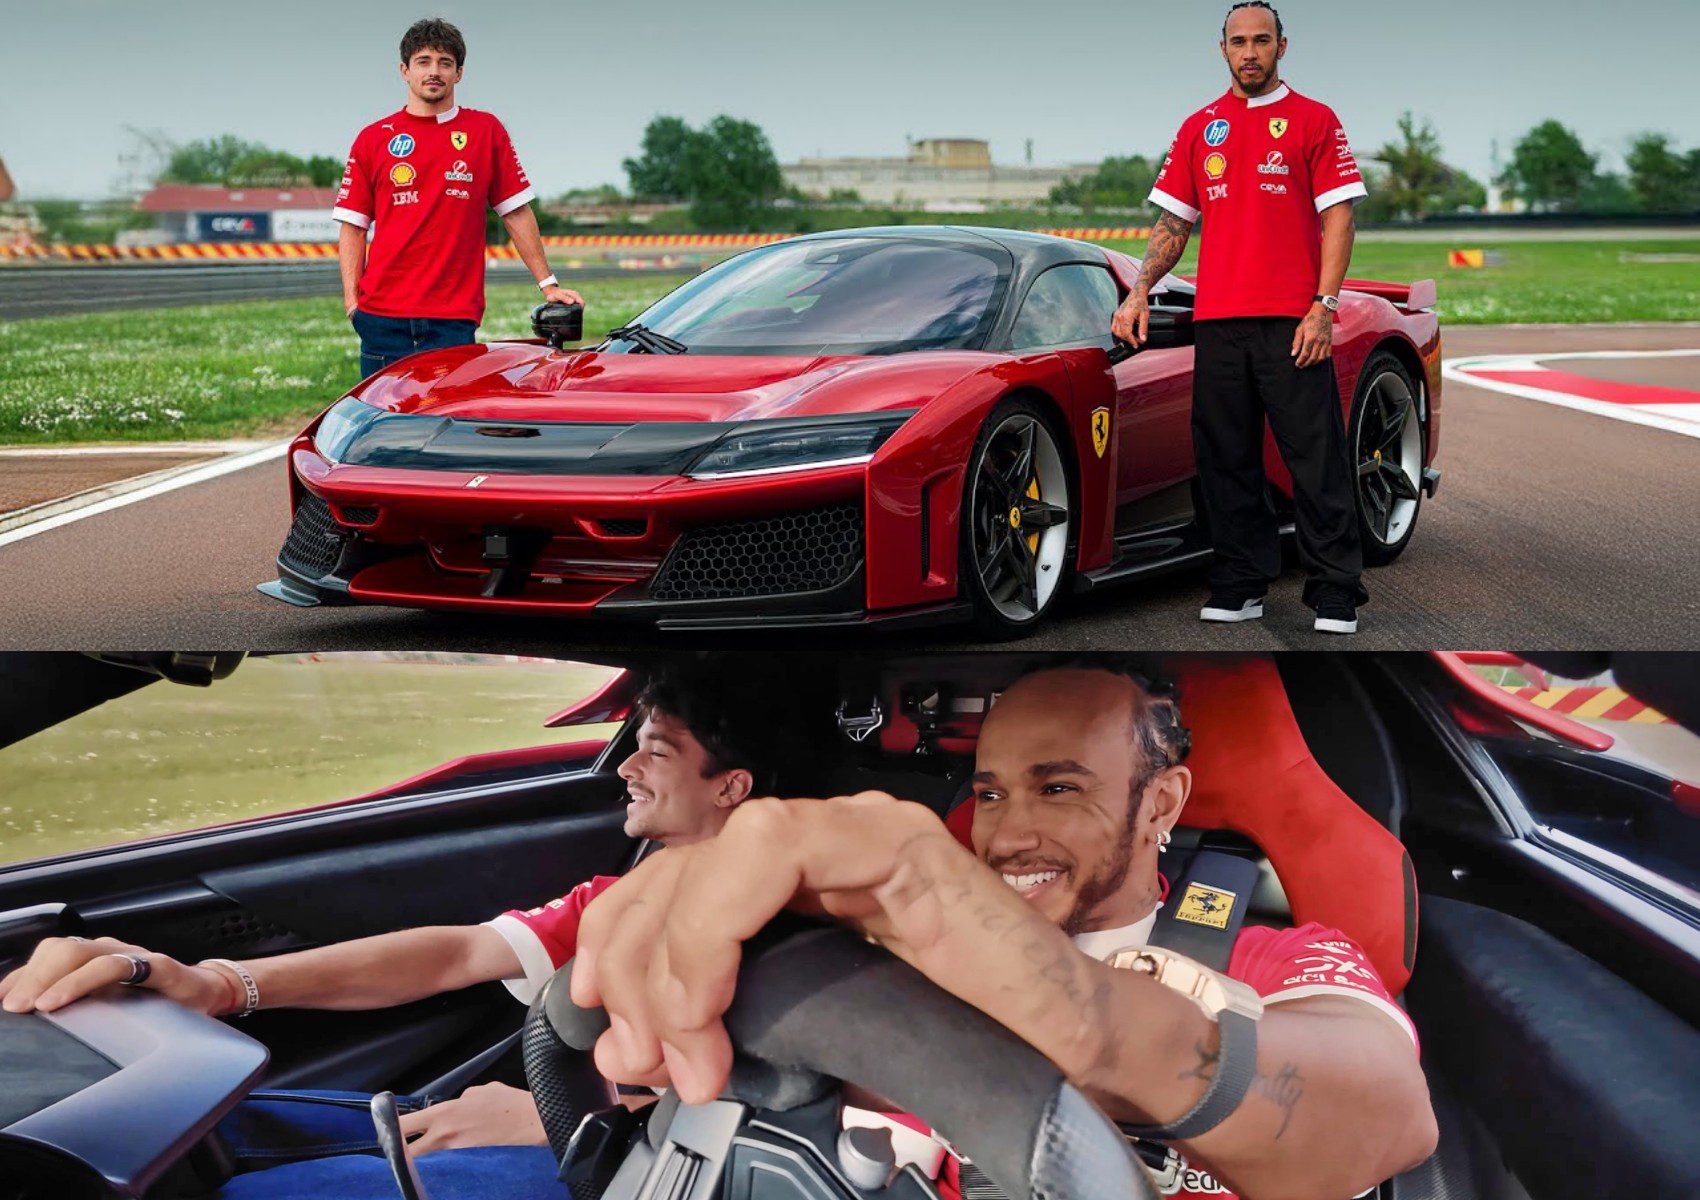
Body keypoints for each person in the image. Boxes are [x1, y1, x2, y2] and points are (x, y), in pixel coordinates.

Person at [572, 661, 1439, 1200]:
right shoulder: (912, 966)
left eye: (1058, 789)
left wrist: (1080, 1016)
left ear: (1161, 802)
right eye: (990, 793)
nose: (1009, 833)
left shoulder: (1279, 955)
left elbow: (1390, 1118)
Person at [0, 666, 795, 1199]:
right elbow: (456, 954)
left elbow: (806, 1108)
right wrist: (222, 984)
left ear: (730, 786)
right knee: (190, 1140)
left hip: (639, 1155)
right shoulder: (616, 898)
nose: (625, 768)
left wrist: (574, 1118)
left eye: (655, 752)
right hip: (556, 1120)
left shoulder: (800, 929)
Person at [1111, 2, 1370, 635]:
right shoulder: (1200, 127)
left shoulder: (1315, 119)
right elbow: (1173, 224)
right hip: (1219, 321)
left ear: (1282, 46)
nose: (1249, 52)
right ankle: (1239, 581)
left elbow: (1339, 218)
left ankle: (1335, 590)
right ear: (1222, 48)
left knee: (1315, 459)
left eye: (1261, 40)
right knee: (1224, 459)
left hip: (1293, 320)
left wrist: (1323, 306)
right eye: (1238, 42)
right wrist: (1139, 290)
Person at [333, 18, 582, 378]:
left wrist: (548, 285)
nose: (434, 71)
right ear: (405, 71)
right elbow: (353, 226)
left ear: (459, 73)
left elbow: (516, 212)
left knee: (448, 414)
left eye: (445, 63)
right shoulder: (373, 138)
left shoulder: (485, 131)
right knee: (383, 417)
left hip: (452, 320)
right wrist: (352, 304)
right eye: (423, 62)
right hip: (382, 319)